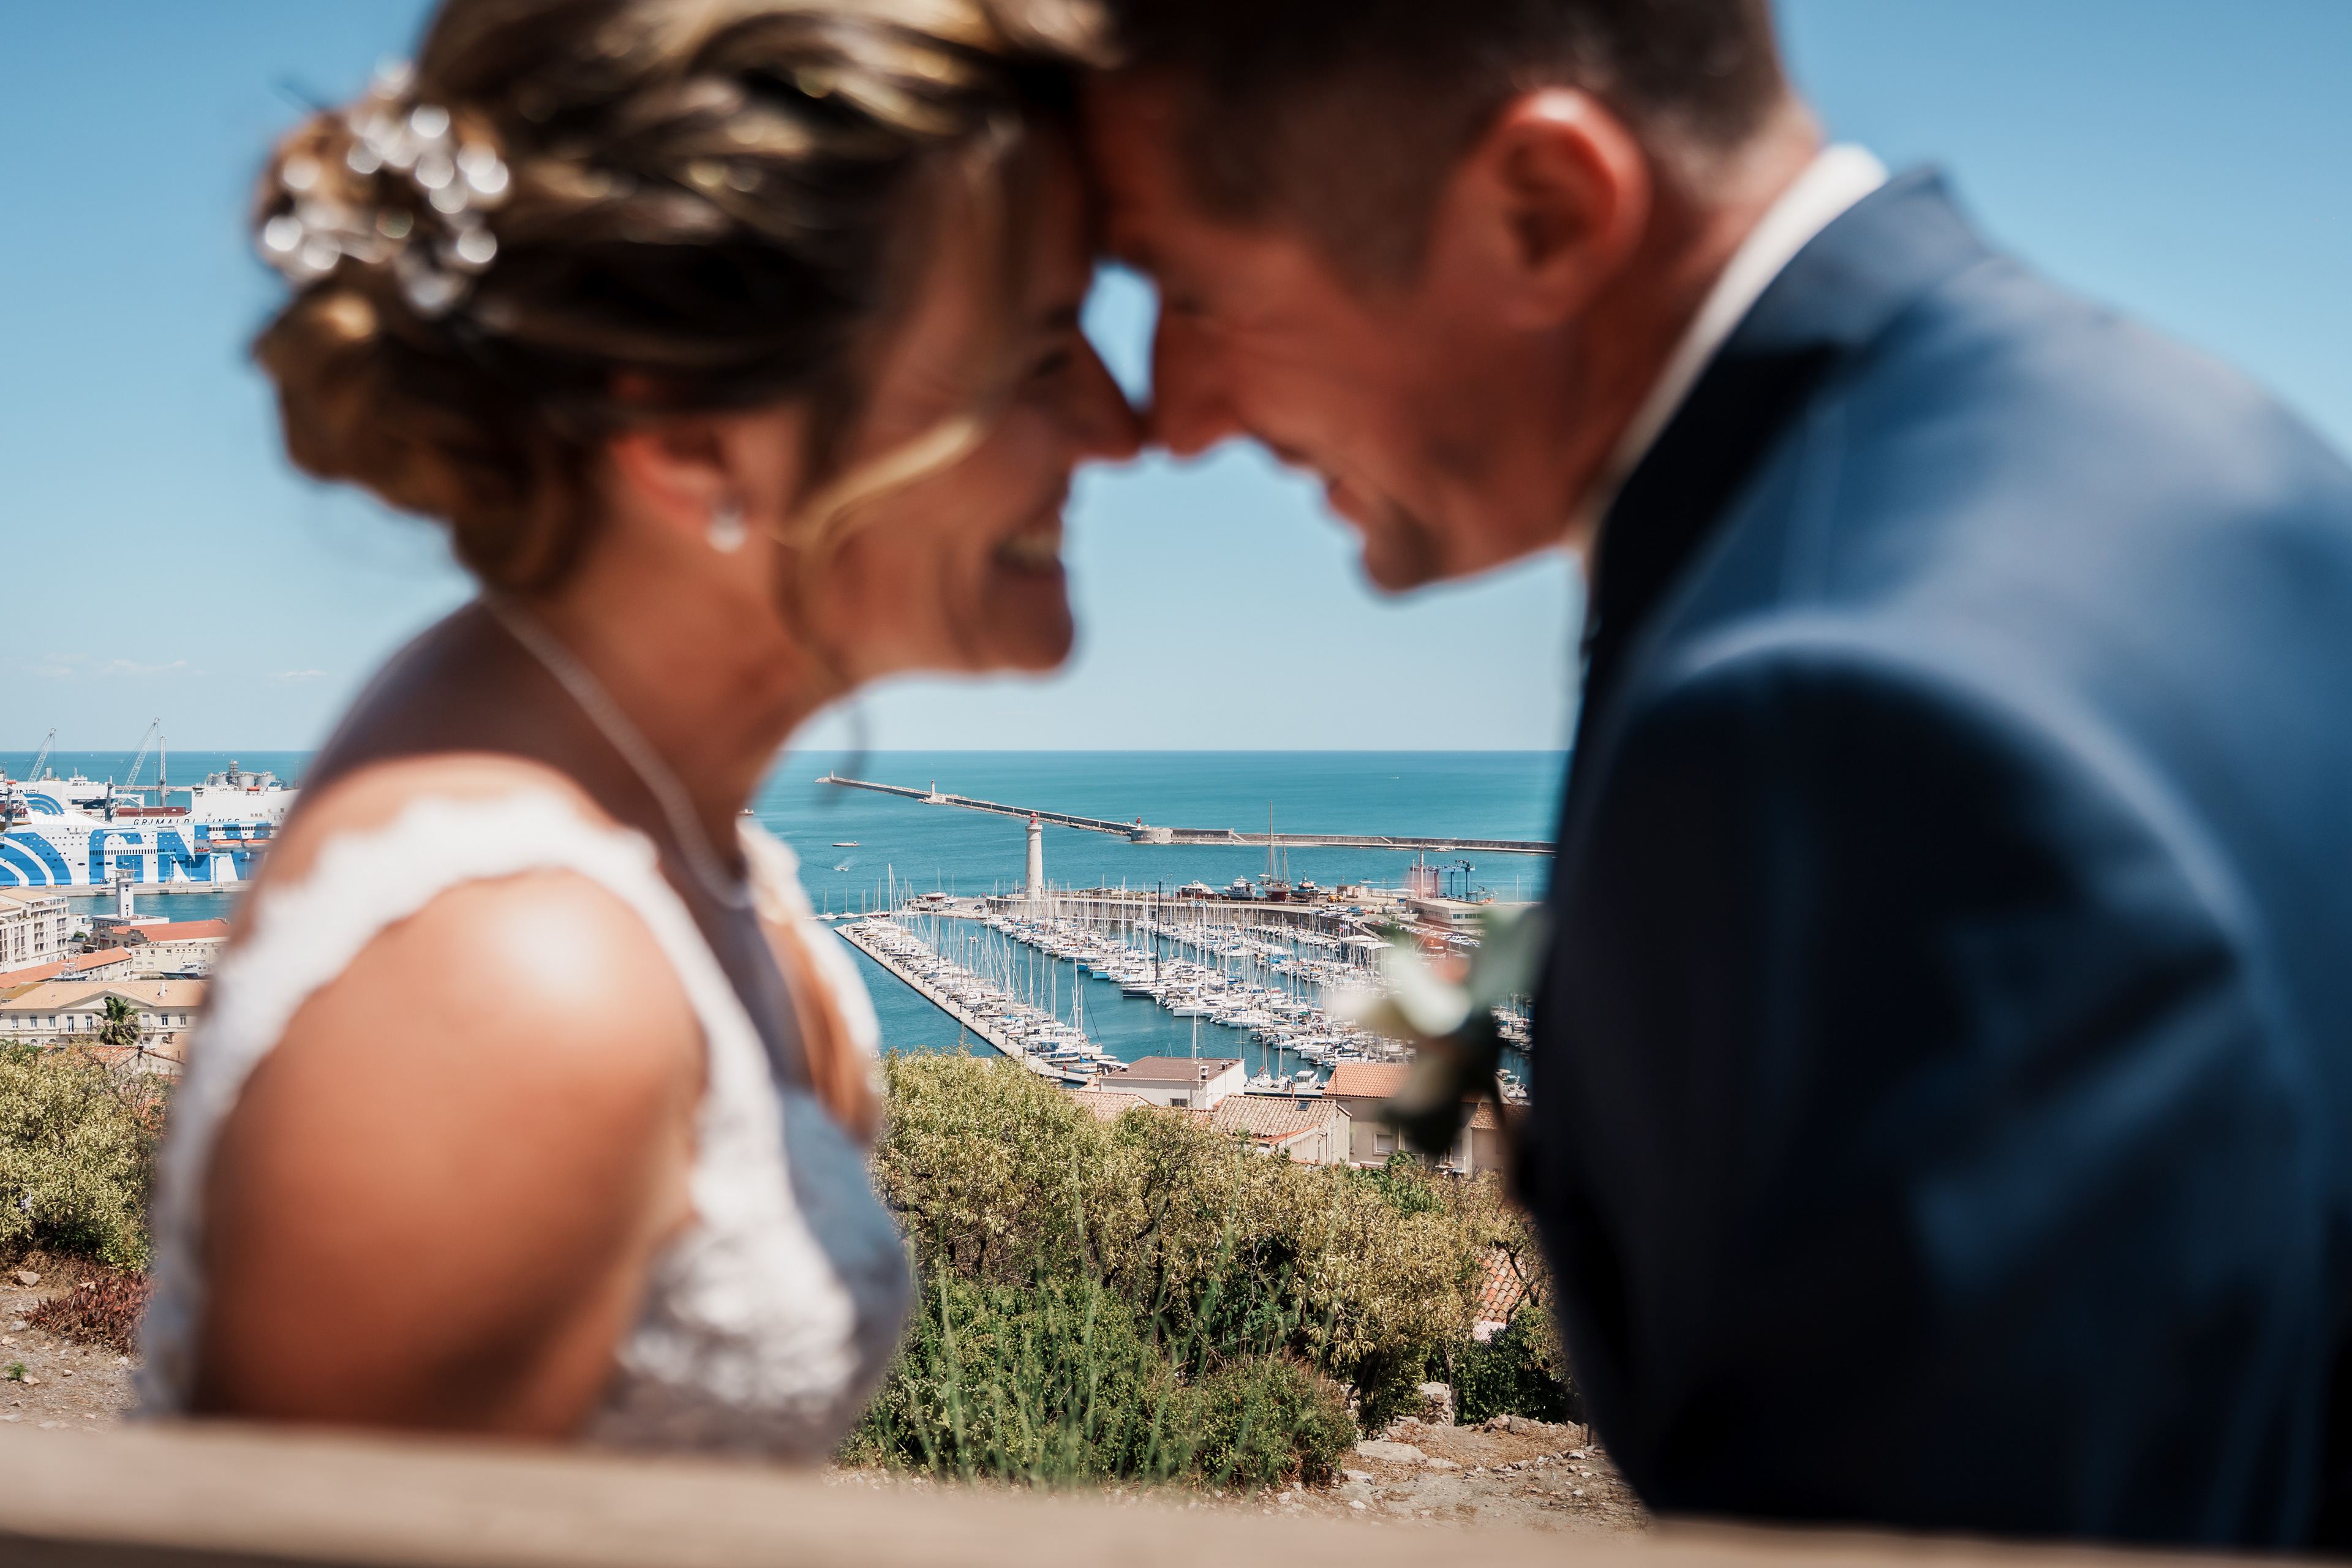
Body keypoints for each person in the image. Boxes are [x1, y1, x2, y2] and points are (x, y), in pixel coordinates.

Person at [1087, 0, 2352, 1545]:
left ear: (1544, 211)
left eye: (1198, 294)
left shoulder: (1829, 714)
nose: (1167, 412)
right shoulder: (2209, 445)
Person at [141, 0, 1137, 1455]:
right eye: (1042, 351)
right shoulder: (513, 977)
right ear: (684, 429)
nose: (1122, 423)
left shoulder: (626, 799)